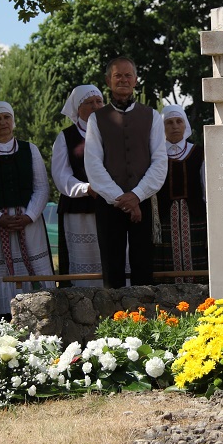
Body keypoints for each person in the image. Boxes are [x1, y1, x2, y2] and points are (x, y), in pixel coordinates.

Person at [84, 57, 167, 288]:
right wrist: (122, 200)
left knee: (143, 266)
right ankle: (114, 319)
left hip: (144, 201)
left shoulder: (152, 116)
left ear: (136, 80)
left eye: (128, 75)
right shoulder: (96, 119)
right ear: (108, 81)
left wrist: (137, 196)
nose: (123, 79)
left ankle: (144, 319)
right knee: (112, 268)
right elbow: (93, 165)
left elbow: (160, 161)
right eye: (117, 75)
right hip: (109, 203)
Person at [0, 102, 52, 319]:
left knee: (32, 276)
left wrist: (29, 216)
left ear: (13, 121)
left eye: (7, 117)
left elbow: (42, 187)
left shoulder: (29, 149)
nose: (3, 122)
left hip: (29, 226)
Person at [51, 84, 106, 287]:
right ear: (77, 109)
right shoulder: (66, 137)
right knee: (82, 268)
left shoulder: (114, 131)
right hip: (79, 211)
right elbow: (60, 174)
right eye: (89, 103)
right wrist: (85, 188)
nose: (95, 106)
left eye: (99, 101)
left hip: (111, 208)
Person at [154, 105, 208, 283]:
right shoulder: (156, 155)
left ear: (186, 125)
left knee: (199, 260)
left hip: (195, 215)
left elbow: (206, 187)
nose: (175, 126)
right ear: (162, 128)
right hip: (165, 217)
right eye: (169, 122)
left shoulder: (200, 152)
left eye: (179, 121)